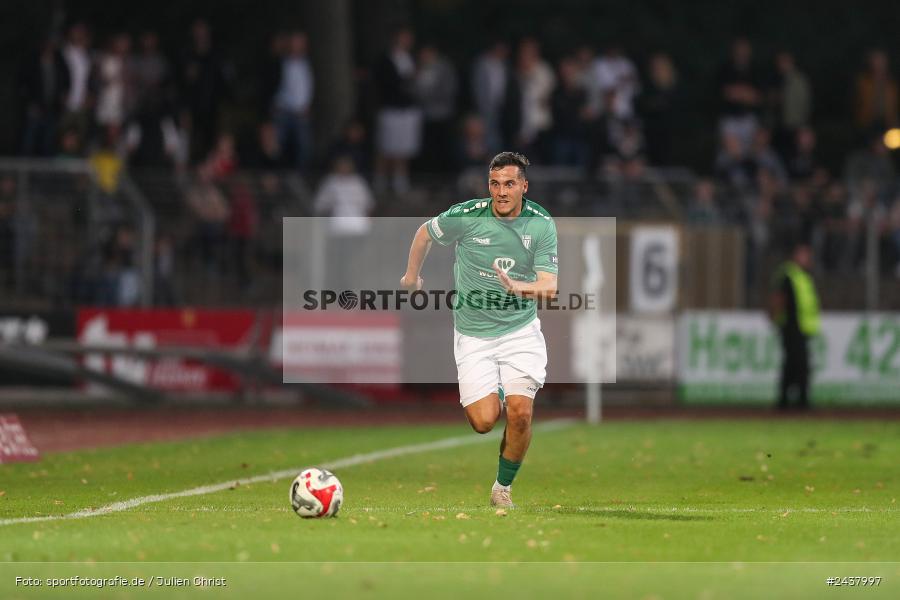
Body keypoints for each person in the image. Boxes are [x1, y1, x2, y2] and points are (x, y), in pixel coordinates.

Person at [400, 152, 558, 508]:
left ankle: (502, 488)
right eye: (495, 184)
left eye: (509, 184)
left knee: (520, 413)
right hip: (473, 334)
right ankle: (498, 386)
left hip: (520, 332)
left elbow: (549, 286)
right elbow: (424, 232)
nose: (501, 192)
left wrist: (519, 288)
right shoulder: (467, 216)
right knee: (485, 421)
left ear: (524, 187)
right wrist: (411, 276)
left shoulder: (541, 224)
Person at [768, 242, 821, 410]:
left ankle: (786, 402)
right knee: (799, 364)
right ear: (795, 255)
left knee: (793, 365)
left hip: (803, 328)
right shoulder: (788, 275)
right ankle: (799, 402)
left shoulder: (804, 275)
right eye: (804, 254)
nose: (807, 258)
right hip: (791, 327)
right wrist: (775, 316)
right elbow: (778, 297)